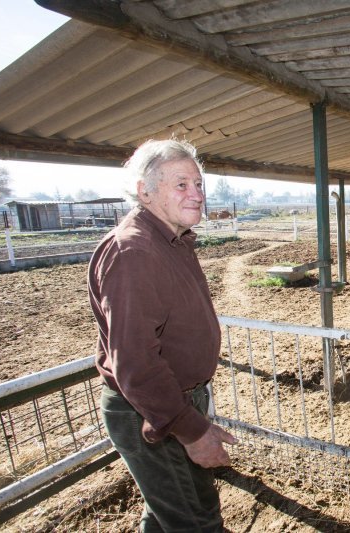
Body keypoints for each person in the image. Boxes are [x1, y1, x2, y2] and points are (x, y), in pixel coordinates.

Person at [88, 139, 236, 532]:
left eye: (199, 184)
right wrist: (190, 430)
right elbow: (136, 364)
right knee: (196, 518)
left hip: (172, 401)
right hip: (152, 409)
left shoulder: (171, 240)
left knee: (167, 512)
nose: (197, 194)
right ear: (145, 191)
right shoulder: (135, 252)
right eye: (182, 184)